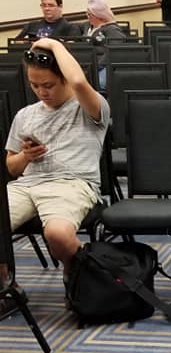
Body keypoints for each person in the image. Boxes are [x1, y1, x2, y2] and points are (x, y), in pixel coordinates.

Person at [0, 39, 109, 314]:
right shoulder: (25, 115)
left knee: (58, 234)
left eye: (48, 85)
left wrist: (53, 44)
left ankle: (73, 270)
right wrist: (26, 156)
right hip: (27, 184)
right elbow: (11, 167)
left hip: (72, 183)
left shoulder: (89, 108)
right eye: (34, 85)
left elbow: (80, 82)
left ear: (64, 79)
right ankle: (6, 286)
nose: (41, 92)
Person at [80, 0, 126, 90]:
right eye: (87, 14)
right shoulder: (87, 26)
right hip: (85, 63)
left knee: (100, 83)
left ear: (99, 15)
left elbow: (114, 50)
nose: (88, 17)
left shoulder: (112, 29)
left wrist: (96, 66)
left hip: (102, 65)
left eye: (90, 14)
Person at [16, 0, 81, 42]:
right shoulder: (31, 26)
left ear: (60, 7)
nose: (46, 9)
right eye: (44, 5)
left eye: (51, 5)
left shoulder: (71, 28)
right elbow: (14, 44)